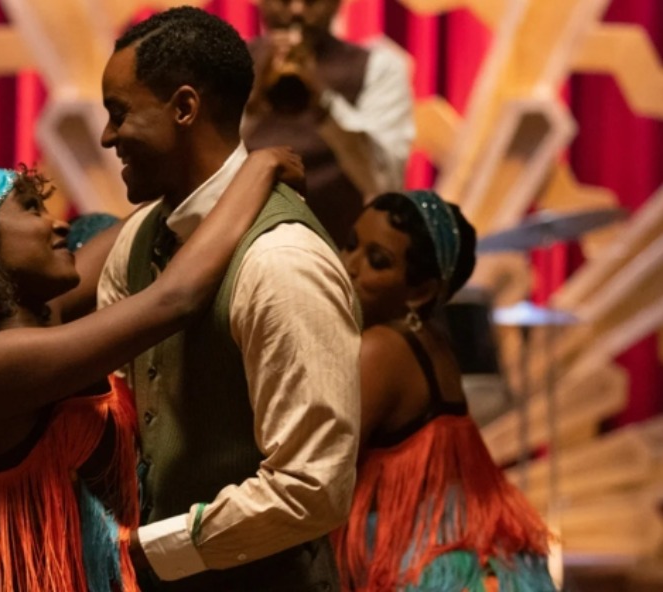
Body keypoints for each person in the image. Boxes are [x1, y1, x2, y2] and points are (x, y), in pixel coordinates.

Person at [0, 146, 305, 591]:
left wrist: (208, 162)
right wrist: (260, 165)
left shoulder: (45, 316)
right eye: (31, 208)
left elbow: (138, 226)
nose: (60, 224)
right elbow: (175, 300)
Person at [97, 7, 360, 591]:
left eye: (119, 114)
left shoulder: (281, 260)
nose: (107, 137)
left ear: (184, 108)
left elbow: (312, 488)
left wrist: (147, 551)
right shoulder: (136, 240)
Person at [334, 190, 556, 591]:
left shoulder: (381, 349)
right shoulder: (435, 344)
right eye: (350, 244)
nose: (349, 265)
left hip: (415, 565)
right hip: (459, 554)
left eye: (377, 260)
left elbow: (323, 467)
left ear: (420, 291)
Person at [243, 0, 415, 249]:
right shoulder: (226, 63)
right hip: (239, 249)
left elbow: (385, 182)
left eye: (312, 0)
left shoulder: (379, 68)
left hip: (336, 250)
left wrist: (325, 103)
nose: (297, 10)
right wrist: (250, 99)